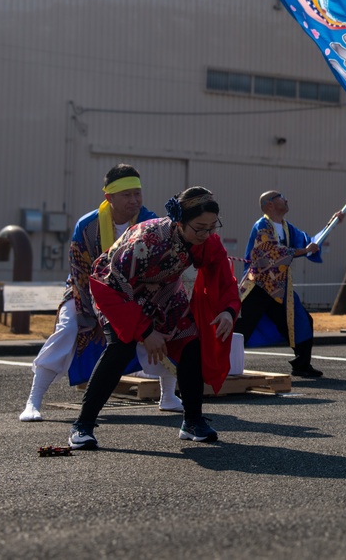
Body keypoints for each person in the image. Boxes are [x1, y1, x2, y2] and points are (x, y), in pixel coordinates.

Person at [67, 187, 239, 449]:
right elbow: (110, 283)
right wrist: (145, 332)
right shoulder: (148, 240)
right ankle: (83, 425)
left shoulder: (204, 240)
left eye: (211, 228)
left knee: (191, 341)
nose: (206, 235)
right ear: (179, 221)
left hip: (163, 291)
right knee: (120, 348)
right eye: (200, 228)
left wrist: (228, 309)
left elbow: (221, 271)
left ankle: (192, 421)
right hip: (116, 290)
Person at [19, 164, 181, 422]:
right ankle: (34, 400)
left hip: (136, 294)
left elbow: (160, 269)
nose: (134, 200)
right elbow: (81, 273)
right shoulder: (87, 225)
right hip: (85, 291)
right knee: (68, 328)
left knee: (171, 324)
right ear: (109, 197)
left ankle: (169, 396)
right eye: (126, 195)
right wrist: (96, 314)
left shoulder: (151, 222)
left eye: (137, 193)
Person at [234, 191, 342, 378]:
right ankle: (222, 363)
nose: (286, 199)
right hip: (257, 285)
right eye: (281, 197)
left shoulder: (287, 228)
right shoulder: (262, 225)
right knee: (240, 326)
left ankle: (302, 364)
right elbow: (270, 252)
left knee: (301, 321)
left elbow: (311, 243)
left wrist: (331, 224)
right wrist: (302, 251)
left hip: (280, 288)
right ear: (269, 204)